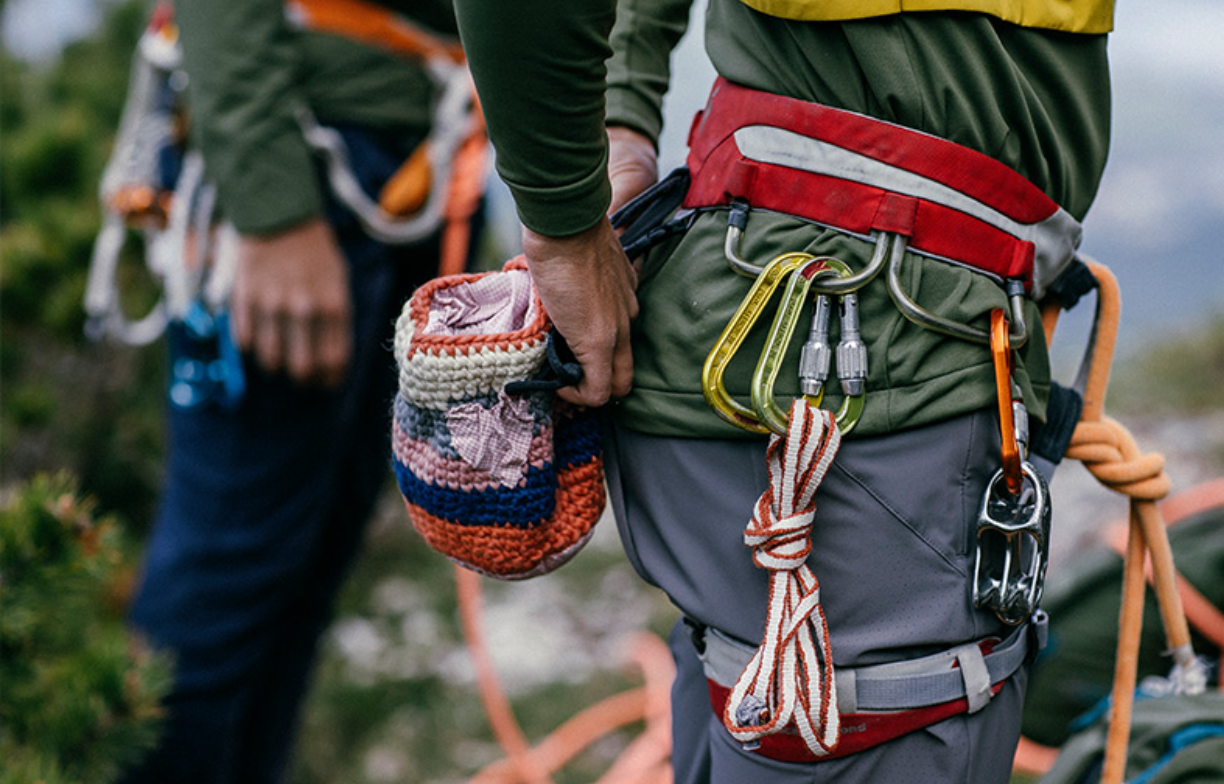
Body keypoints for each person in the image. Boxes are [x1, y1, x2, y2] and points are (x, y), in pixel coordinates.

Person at [453, 0, 1111, 781]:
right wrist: (564, 224)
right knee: (844, 713)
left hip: (830, 328)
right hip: (882, 365)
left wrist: (619, 118)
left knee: (741, 681)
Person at [119, 1, 479, 781]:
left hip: (419, 166)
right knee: (225, 582)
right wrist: (273, 203)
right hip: (312, 163)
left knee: (304, 573)